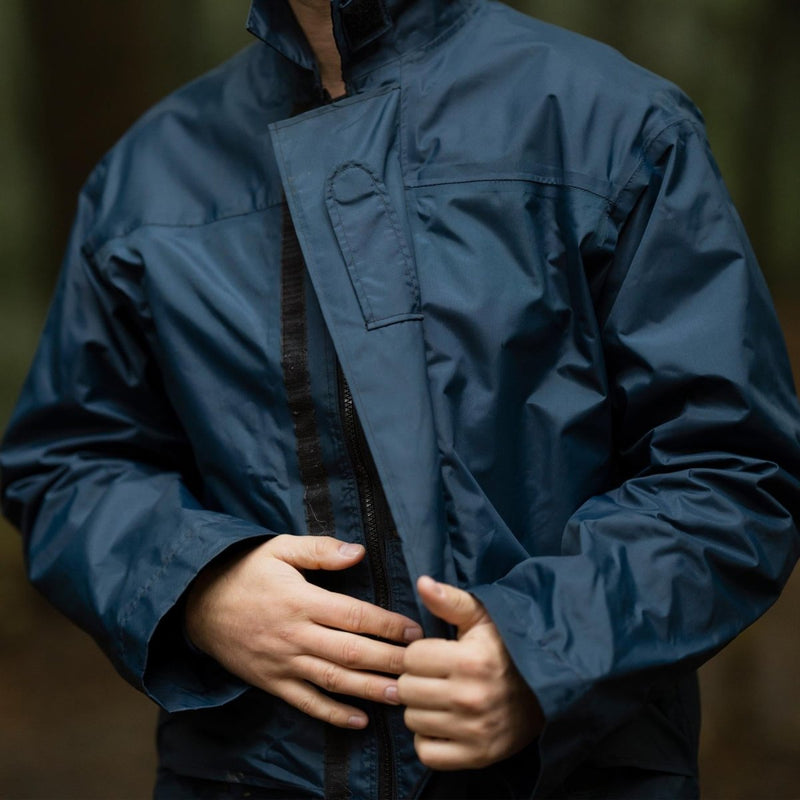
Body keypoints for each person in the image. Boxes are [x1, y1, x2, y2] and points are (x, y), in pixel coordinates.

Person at [2, 0, 799, 797]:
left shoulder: (616, 125)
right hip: (249, 774)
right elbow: (67, 463)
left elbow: (734, 470)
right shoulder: (147, 174)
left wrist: (545, 651)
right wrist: (196, 587)